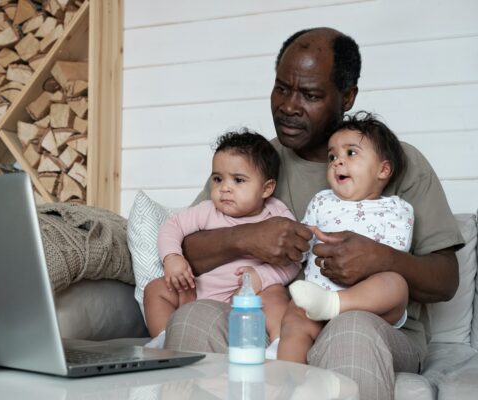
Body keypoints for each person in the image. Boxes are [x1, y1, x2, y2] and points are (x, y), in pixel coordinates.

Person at [162, 27, 465, 400]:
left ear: (347, 97)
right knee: (194, 316)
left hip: (372, 325)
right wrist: (246, 237)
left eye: (310, 95)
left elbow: (447, 278)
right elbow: (185, 248)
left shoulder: (398, 162)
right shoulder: (256, 162)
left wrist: (382, 259)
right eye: (282, 88)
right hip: (281, 323)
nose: (289, 105)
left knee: (352, 329)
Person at [143, 130, 300, 349]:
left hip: (249, 297)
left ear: (266, 188)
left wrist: (262, 277)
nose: (224, 188)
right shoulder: (207, 210)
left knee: (275, 296)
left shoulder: (276, 215)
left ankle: (277, 344)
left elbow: (294, 259)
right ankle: (163, 337)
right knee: (156, 289)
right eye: (218, 179)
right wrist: (172, 257)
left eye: (238, 180)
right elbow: (173, 226)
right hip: (197, 291)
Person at [280, 111, 413, 363]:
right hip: (317, 296)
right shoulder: (322, 201)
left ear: (383, 170)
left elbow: (394, 252)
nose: (337, 162)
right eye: (332, 156)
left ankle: (334, 303)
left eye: (350, 153)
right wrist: (301, 237)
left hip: (368, 307)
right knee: (293, 318)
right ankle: (286, 376)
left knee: (396, 284)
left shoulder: (396, 208)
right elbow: (302, 247)